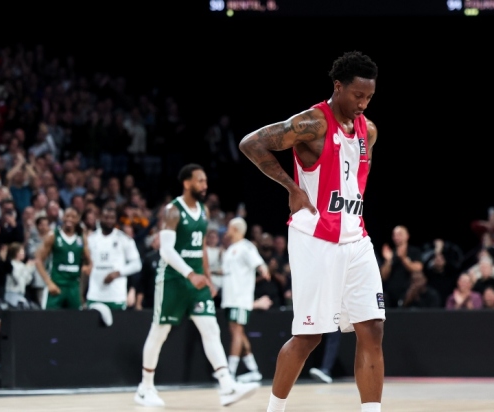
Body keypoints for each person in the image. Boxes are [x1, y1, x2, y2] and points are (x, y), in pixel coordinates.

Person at [239, 51, 385, 412]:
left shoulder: (368, 131)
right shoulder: (312, 123)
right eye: (357, 95)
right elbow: (251, 143)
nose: (363, 104)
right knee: (308, 336)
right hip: (315, 238)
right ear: (338, 86)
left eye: (369, 97)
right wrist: (291, 187)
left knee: (372, 328)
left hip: (356, 237)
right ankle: (274, 409)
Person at [134, 164, 258, 407]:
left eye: (205, 181)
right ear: (187, 183)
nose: (205, 185)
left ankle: (227, 386)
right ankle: (145, 388)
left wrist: (207, 276)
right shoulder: (173, 210)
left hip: (197, 281)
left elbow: (201, 247)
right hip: (172, 280)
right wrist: (190, 274)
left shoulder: (203, 210)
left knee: (211, 329)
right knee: (159, 332)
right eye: (200, 181)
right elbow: (166, 251)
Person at [221, 217, 269, 384]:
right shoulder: (230, 249)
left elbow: (258, 263)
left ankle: (230, 372)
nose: (226, 231)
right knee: (237, 332)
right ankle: (254, 370)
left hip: (240, 298)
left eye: (229, 228)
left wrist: (263, 269)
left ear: (235, 229)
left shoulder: (246, 247)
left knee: (237, 331)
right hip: (229, 298)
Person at [86, 205, 142, 311]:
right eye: (106, 217)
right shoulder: (91, 239)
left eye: (112, 218)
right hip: (94, 294)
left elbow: (137, 264)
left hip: (116, 295)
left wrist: (118, 273)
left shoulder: (124, 239)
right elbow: (86, 263)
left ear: (116, 220)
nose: (109, 221)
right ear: (100, 218)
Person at [35, 207, 92, 310]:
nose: (69, 219)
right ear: (62, 217)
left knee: (76, 318)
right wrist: (49, 283)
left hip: (74, 286)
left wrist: (88, 267)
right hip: (57, 284)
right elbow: (38, 260)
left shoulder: (81, 237)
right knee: (50, 317)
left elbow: (89, 261)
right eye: (67, 216)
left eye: (73, 217)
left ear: (78, 219)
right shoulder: (53, 235)